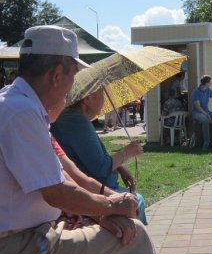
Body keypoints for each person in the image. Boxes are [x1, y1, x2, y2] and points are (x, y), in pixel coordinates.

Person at [0, 25, 212, 254]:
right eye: (73, 76)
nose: (73, 88)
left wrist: (104, 209)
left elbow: (67, 179)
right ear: (57, 74)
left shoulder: (16, 106)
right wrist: (108, 208)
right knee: (135, 236)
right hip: (22, 253)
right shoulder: (19, 113)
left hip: (32, 242)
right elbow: (56, 192)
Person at [51, 88, 148, 225]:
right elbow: (100, 167)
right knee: (137, 201)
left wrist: (120, 168)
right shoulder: (75, 122)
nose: (105, 99)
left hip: (92, 187)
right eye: (102, 94)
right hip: (95, 189)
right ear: (88, 99)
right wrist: (127, 152)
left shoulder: (75, 119)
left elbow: (92, 156)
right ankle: (136, 244)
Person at [191, 75, 212, 152]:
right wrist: (207, 115)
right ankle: (206, 144)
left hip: (207, 112)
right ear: (206, 83)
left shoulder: (208, 90)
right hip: (197, 113)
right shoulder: (196, 92)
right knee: (205, 120)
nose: (211, 83)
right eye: (210, 82)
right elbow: (197, 107)